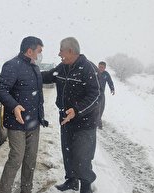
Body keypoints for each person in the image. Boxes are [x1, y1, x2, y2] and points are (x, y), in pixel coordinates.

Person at [42, 37, 100, 193]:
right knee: (68, 153)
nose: (59, 54)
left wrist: (77, 110)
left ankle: (86, 186)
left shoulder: (88, 68)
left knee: (82, 156)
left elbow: (95, 95)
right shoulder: (62, 67)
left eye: (61, 50)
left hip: (84, 122)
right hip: (65, 119)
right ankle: (72, 181)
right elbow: (47, 76)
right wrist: (30, 71)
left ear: (70, 51)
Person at [0, 36, 48, 193]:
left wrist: (41, 117)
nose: (40, 55)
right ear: (29, 50)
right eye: (39, 51)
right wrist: (14, 106)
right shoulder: (12, 65)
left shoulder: (35, 68)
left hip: (34, 123)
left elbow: (38, 96)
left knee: (30, 160)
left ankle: (26, 189)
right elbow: (1, 90)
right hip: (17, 123)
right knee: (16, 159)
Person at [97, 61, 115, 129]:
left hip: (101, 94)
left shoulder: (106, 74)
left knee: (101, 108)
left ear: (105, 68)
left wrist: (112, 89)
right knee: (94, 108)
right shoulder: (94, 72)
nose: (100, 68)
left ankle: (98, 120)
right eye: (99, 67)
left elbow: (110, 82)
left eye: (102, 67)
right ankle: (96, 121)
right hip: (94, 93)